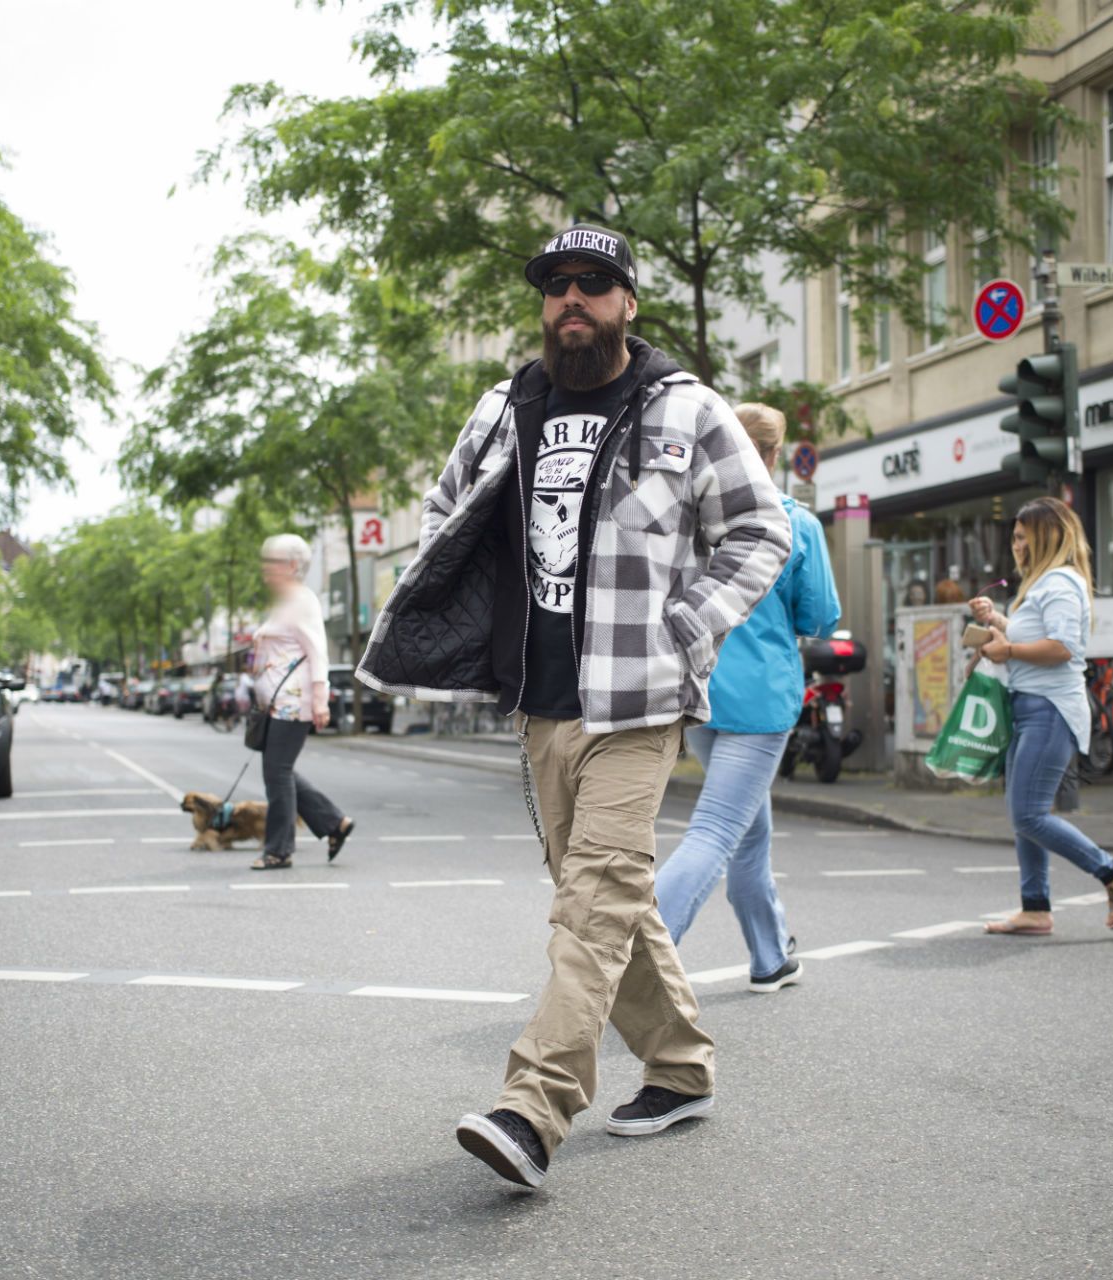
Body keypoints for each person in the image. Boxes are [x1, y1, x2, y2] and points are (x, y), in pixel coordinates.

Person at [357, 224, 790, 1189]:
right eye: (556, 285)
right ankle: (679, 1070)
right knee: (602, 899)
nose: (572, 301)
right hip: (541, 702)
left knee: (593, 897)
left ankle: (534, 1103)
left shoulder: (686, 406)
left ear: (629, 302)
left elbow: (760, 530)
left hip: (639, 700)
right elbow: (443, 513)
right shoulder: (509, 405)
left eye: (594, 284)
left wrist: (689, 624)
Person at [655, 403, 837, 993]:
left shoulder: (692, 517)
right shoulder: (792, 521)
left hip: (702, 691)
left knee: (748, 830)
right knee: (715, 829)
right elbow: (818, 617)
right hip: (761, 702)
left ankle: (770, 955)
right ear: (775, 454)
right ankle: (634, 962)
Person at [970, 497, 1113, 937]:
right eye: (1013, 537)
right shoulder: (1041, 584)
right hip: (1030, 707)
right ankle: (1035, 909)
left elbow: (1063, 648)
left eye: (1023, 537)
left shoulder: (1061, 584)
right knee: (1022, 812)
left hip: (1050, 711)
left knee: (1028, 813)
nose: (1016, 546)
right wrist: (998, 621)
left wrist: (1007, 650)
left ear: (1046, 537)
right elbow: (1038, 637)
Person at [247, 533, 354, 871]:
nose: (266, 569)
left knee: (276, 773)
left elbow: (317, 652)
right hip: (277, 704)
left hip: (293, 702)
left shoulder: (302, 600)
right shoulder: (286, 601)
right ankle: (333, 822)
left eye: (273, 562)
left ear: (292, 566)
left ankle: (279, 850)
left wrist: (320, 701)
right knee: (279, 770)